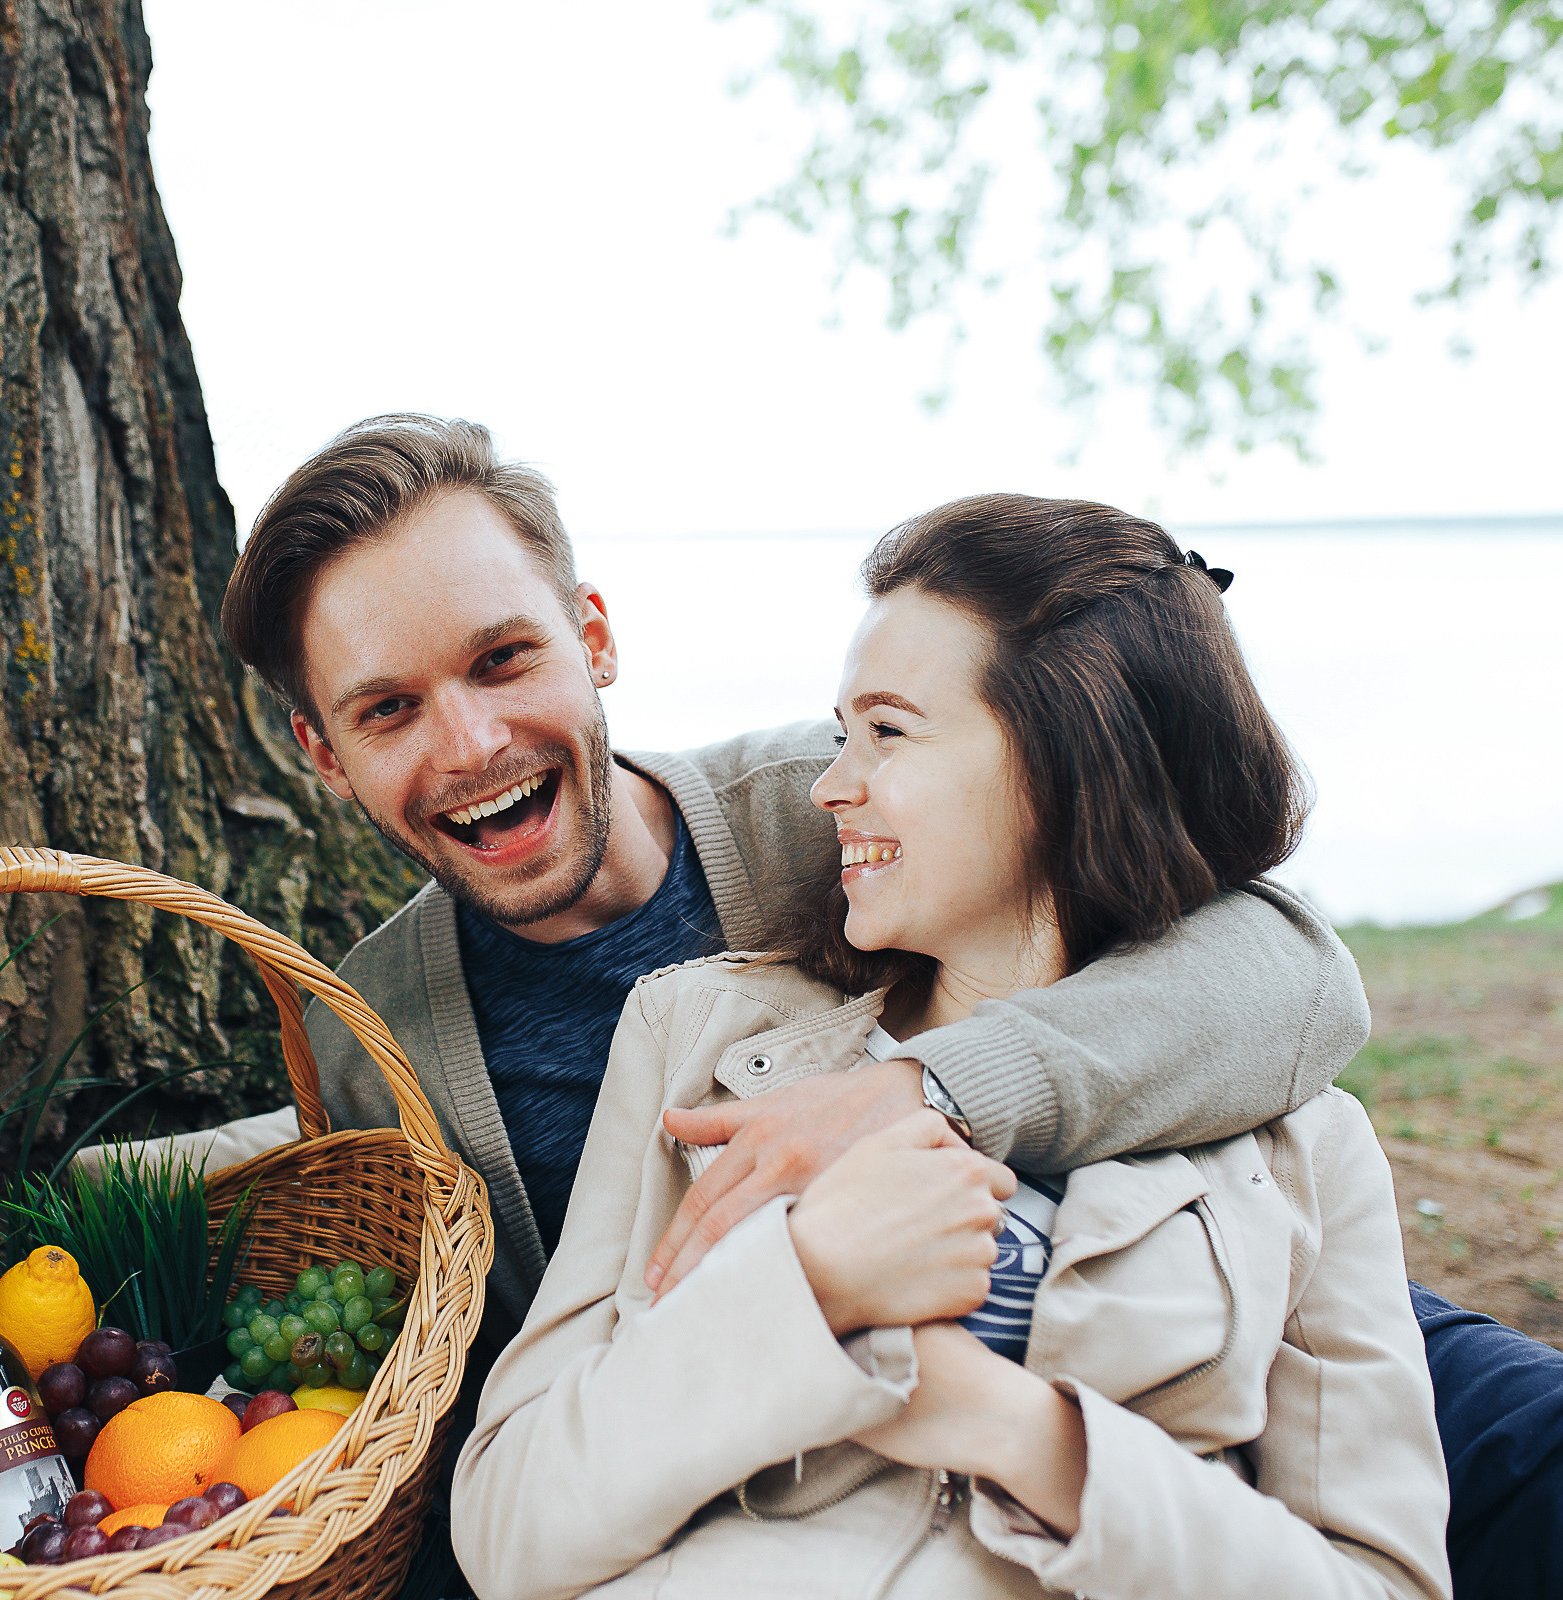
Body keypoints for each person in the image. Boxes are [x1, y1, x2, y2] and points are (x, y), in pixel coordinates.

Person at [174, 412, 1563, 1600]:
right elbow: (484, 1405)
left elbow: (1287, 973)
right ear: (324, 755)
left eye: (504, 659)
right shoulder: (378, 1035)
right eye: (389, 709)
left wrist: (924, 1095)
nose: (468, 744)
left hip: (1194, 1273)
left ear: (593, 639)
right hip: (767, 1437)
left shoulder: (837, 807)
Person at [452, 491, 1451, 1598]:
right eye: (842, 734)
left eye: (888, 732)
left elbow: (1388, 1585)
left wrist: (1023, 1434)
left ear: (1071, 759)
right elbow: (507, 1529)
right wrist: (806, 1289)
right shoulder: (699, 1034)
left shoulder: (1306, 1149)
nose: (829, 785)